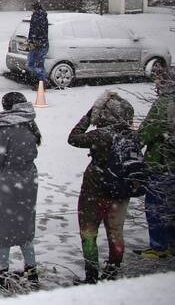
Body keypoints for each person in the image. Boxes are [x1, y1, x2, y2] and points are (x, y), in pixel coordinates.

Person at [68, 91, 138, 283]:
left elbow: (73, 137)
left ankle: (91, 276)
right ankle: (112, 272)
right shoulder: (131, 137)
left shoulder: (100, 135)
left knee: (89, 233)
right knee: (116, 234)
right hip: (121, 192)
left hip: (94, 190)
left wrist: (89, 116)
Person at [0, 92, 41, 289]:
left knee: (4, 227)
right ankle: (32, 270)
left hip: (9, 180)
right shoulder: (30, 123)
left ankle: (2, 272)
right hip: (29, 179)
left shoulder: (5, 128)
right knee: (24, 225)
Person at [138, 65, 175, 258]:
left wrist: (134, 142)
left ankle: (159, 247)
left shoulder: (164, 104)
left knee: (156, 207)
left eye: (159, 80)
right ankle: (172, 245)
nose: (156, 83)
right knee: (171, 208)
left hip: (162, 163)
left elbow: (146, 132)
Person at [26, 2, 49, 84]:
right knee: (37, 64)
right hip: (41, 44)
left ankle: (43, 81)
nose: (31, 10)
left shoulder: (37, 17)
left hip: (39, 45)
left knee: (33, 64)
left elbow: (35, 30)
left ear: (35, 8)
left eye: (32, 8)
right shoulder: (41, 16)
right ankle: (42, 81)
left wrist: (33, 41)